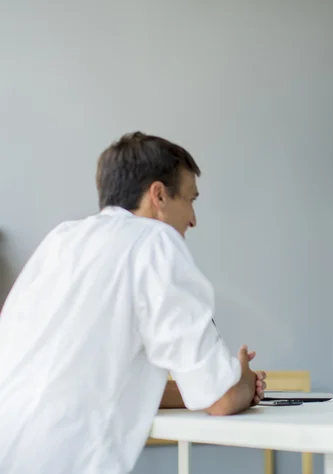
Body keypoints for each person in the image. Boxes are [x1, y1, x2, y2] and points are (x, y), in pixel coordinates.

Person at [0, 132, 266, 474]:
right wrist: (243, 380)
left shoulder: (61, 240)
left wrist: (223, 383)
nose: (193, 219)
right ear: (158, 195)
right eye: (190, 199)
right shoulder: (155, 241)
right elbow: (222, 399)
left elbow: (94, 381)